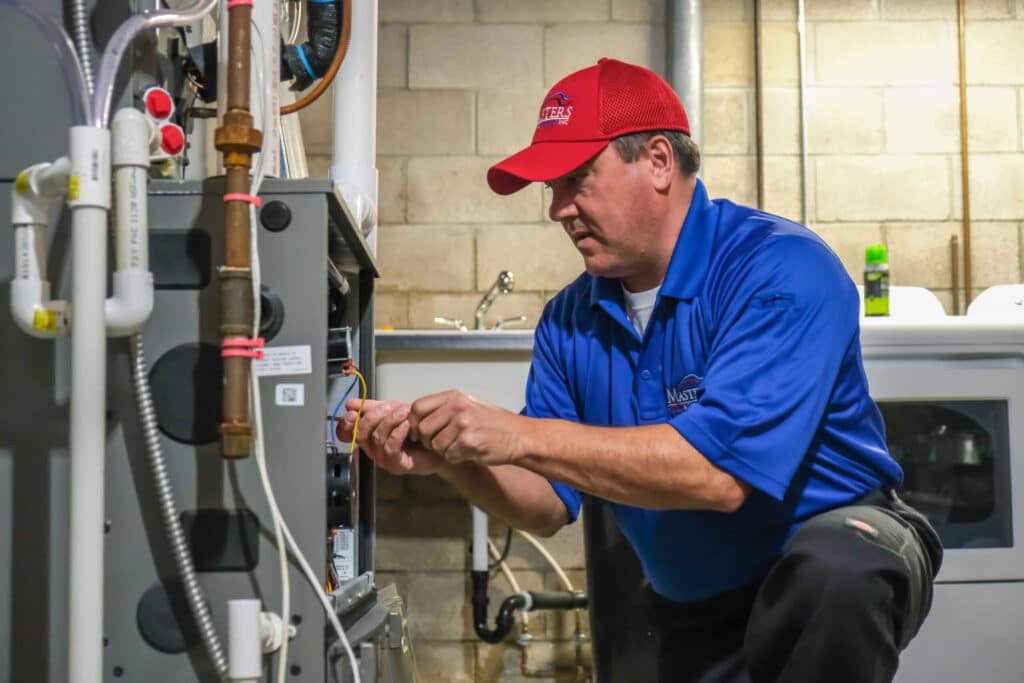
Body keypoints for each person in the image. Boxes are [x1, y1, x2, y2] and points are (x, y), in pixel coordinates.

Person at [338, 58, 942, 683]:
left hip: (840, 553)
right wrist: (459, 458)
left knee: (832, 571)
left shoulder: (780, 270)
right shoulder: (570, 319)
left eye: (576, 180)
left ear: (658, 161)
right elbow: (547, 502)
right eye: (552, 190)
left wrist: (513, 434)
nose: (559, 210)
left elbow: (719, 475)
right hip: (697, 597)